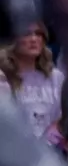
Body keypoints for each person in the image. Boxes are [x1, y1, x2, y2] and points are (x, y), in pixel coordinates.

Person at [3, 21, 63, 149]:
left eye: (39, 34)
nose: (34, 39)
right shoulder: (3, 77)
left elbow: (64, 116)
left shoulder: (55, 77)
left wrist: (51, 139)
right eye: (26, 34)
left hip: (50, 153)